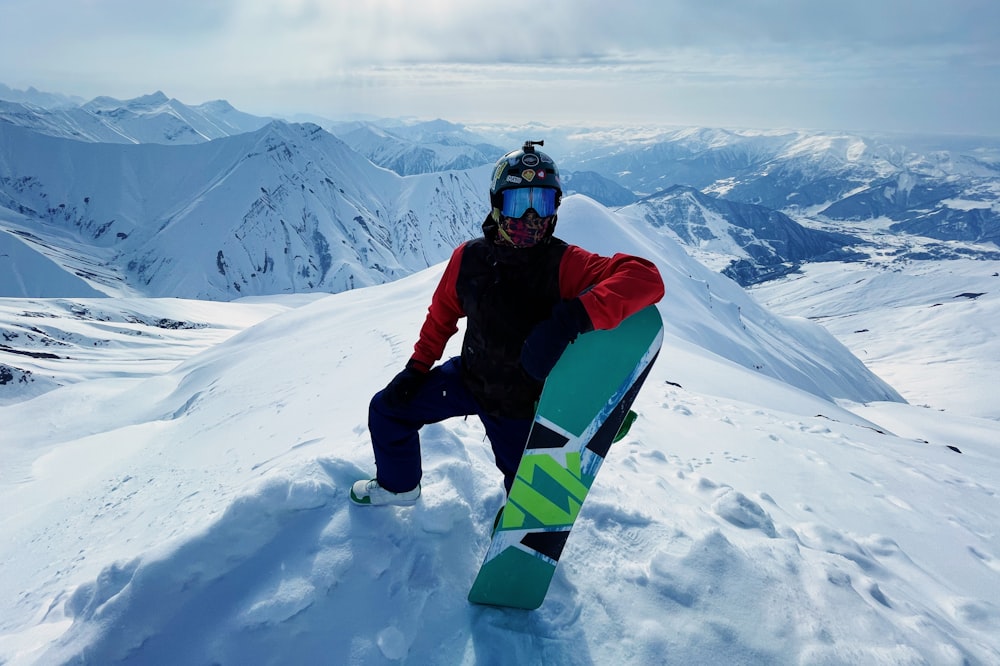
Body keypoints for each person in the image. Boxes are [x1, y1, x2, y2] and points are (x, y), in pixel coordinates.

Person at [351, 140, 665, 506]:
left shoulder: (564, 264)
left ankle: (517, 531)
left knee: (528, 502)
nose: (532, 217)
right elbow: (442, 315)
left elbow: (645, 277)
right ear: (497, 205)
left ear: (557, 207)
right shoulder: (468, 259)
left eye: (543, 203)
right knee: (387, 409)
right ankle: (398, 486)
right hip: (470, 379)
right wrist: (417, 368)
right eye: (520, 203)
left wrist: (572, 318)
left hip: (522, 407)